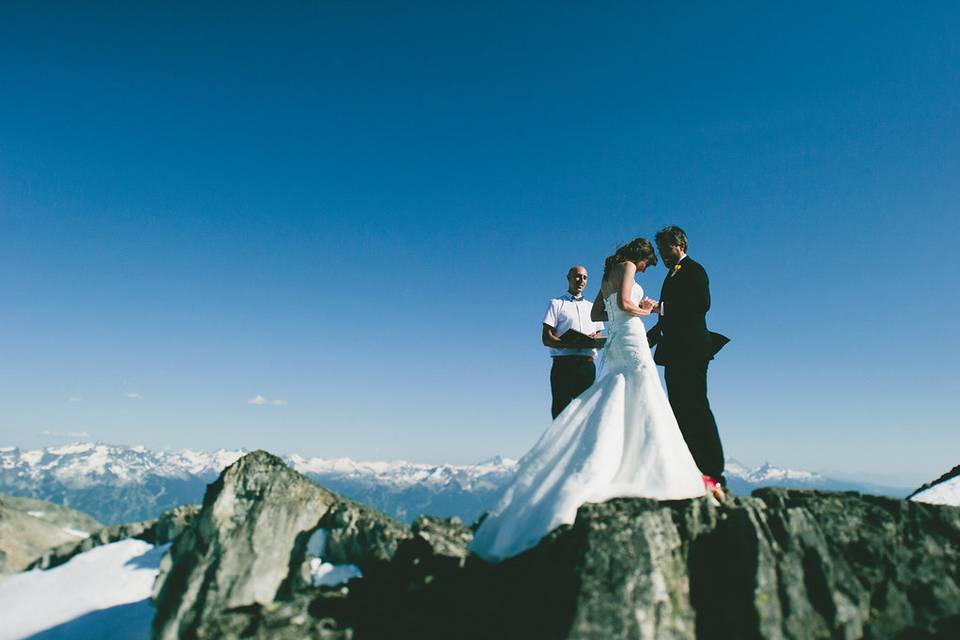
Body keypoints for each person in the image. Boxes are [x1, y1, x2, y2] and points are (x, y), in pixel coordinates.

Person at [471, 238, 705, 563]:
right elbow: (624, 304)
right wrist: (649, 309)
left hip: (615, 341)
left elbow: (598, 312)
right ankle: (644, 464)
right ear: (640, 256)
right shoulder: (624, 267)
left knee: (621, 394)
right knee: (644, 392)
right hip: (631, 336)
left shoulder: (609, 271)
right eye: (647, 263)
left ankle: (621, 457)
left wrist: (616, 318)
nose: (645, 268)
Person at [647, 226, 728, 498]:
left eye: (665, 249)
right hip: (674, 353)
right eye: (660, 250)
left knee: (695, 406)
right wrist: (643, 339)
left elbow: (701, 304)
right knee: (679, 409)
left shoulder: (694, 269)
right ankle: (693, 468)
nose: (662, 255)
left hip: (692, 350)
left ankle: (714, 472)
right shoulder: (671, 276)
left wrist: (661, 308)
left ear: (680, 245)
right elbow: (666, 320)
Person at [541, 266, 605, 419]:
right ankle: (559, 443)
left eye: (584, 277)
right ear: (568, 278)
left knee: (586, 413)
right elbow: (546, 338)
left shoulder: (592, 307)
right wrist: (568, 344)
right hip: (563, 365)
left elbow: (598, 333)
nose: (581, 280)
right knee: (561, 412)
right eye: (577, 276)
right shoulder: (556, 303)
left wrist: (594, 339)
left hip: (587, 366)